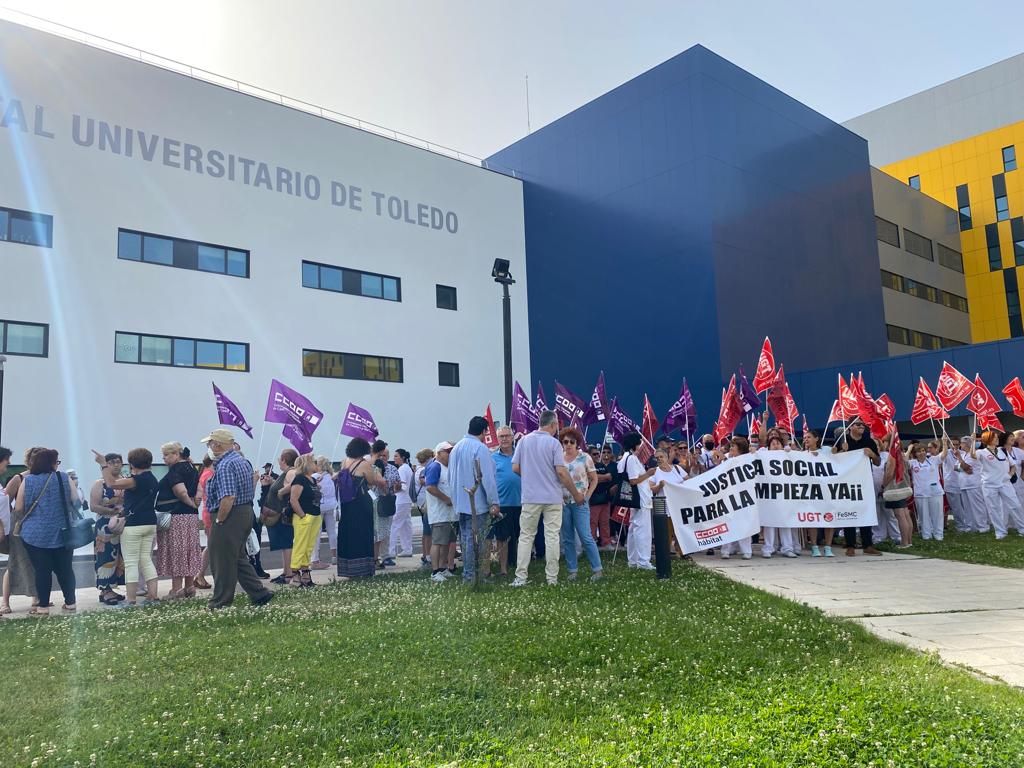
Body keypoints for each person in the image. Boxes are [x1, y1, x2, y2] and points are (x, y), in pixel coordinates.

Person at [200, 429, 273, 609]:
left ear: (217, 444)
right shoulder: (241, 461)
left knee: (222, 559)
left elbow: (228, 497)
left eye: (210, 443)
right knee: (238, 557)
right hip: (245, 511)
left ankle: (220, 601)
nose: (209, 447)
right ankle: (259, 593)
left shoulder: (224, 465)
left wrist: (220, 520)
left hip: (230, 514)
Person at [510, 410, 583, 587]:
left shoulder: (524, 441)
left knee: (526, 536)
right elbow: (561, 471)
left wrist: (530, 477)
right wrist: (575, 493)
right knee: (552, 536)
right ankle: (552, 578)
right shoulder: (553, 444)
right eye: (557, 424)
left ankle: (521, 577)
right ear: (552, 424)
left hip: (530, 496)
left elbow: (515, 468)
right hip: (552, 497)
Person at [12, 449, 77, 615]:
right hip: (63, 532)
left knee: (42, 570)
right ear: (51, 462)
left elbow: (18, 507)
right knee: (65, 569)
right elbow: (76, 499)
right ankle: (70, 602)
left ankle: (42, 606)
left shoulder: (28, 480)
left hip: (35, 534)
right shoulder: (63, 477)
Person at [448, 417, 501, 584]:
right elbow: (487, 478)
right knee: (474, 541)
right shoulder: (480, 448)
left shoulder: (456, 447)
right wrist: (494, 501)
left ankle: (468, 573)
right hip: (476, 502)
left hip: (460, 501)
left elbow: (450, 476)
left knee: (465, 539)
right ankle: (472, 576)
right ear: (484, 431)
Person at [107, 448, 161, 607]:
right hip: (150, 523)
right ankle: (153, 595)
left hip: (133, 525)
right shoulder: (152, 479)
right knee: (146, 560)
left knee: (131, 562)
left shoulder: (136, 480)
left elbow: (111, 483)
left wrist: (104, 466)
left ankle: (131, 600)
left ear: (131, 464)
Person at [154, 442, 201, 598]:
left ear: (176, 454)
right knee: (189, 550)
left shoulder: (175, 470)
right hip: (191, 517)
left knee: (177, 551)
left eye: (166, 455)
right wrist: (195, 505)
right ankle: (189, 587)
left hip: (177, 515)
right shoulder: (192, 467)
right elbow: (200, 489)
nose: (164, 459)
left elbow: (180, 491)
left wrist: (190, 503)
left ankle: (176, 589)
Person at [336, 437, 386, 579]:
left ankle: (348, 568)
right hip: (361, 502)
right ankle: (363, 568)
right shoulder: (363, 464)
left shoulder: (345, 462)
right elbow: (371, 481)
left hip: (347, 502)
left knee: (348, 532)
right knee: (363, 532)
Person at [559, 427, 604, 582]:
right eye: (566, 441)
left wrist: (588, 496)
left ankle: (597, 569)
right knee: (567, 538)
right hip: (563, 503)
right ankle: (572, 571)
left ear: (577, 443)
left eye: (572, 441)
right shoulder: (558, 458)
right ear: (562, 443)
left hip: (580, 503)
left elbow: (594, 478)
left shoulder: (585, 457)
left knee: (586, 536)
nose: (569, 444)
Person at [2, 446, 43, 614]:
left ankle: (36, 598)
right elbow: (5, 502)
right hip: (18, 526)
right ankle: (5, 601)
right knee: (14, 562)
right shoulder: (19, 479)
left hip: (39, 526)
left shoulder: (46, 478)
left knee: (38, 562)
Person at [833, 419, 883, 556]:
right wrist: (840, 452)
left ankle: (868, 544)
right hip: (848, 482)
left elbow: (878, 462)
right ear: (850, 427)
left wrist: (872, 454)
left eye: (862, 424)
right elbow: (831, 460)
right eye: (858, 424)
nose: (862, 426)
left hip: (864, 482)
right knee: (849, 512)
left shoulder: (869, 442)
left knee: (865, 511)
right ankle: (850, 545)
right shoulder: (842, 441)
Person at [90, 452, 126, 605]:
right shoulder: (99, 483)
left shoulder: (125, 481)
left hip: (121, 523)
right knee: (105, 557)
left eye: (118, 461)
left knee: (119, 557)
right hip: (104, 526)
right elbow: (93, 506)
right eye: (111, 462)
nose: (116, 464)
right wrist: (112, 511)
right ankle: (105, 590)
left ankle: (112, 587)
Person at [618, 431, 657, 571]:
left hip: (635, 499)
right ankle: (643, 561)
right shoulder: (632, 459)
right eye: (640, 443)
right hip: (640, 498)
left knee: (634, 529)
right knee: (643, 530)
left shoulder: (625, 458)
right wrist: (648, 473)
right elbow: (633, 480)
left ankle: (633, 560)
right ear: (635, 444)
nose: (641, 446)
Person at [974, 429, 1021, 540]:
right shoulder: (981, 452)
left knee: (1015, 505)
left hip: (1005, 483)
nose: (997, 439)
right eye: (995, 437)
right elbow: (973, 456)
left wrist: (1009, 475)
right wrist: (972, 442)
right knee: (994, 509)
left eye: (997, 437)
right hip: (989, 485)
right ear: (988, 439)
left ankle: (1022, 528)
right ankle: (1000, 532)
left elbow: (1013, 466)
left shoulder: (1002, 450)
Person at [490, 427, 522, 577]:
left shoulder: (521, 453)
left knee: (522, 536)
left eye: (507, 436)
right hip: (502, 503)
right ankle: (503, 569)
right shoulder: (493, 458)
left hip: (522, 502)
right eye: (501, 436)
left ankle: (521, 565)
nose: (504, 439)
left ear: (512, 437)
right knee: (503, 538)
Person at [288, 453, 322, 588]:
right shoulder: (300, 479)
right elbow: (293, 499)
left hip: (315, 515)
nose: (316, 464)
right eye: (314, 462)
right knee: (300, 544)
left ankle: (305, 570)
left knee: (309, 546)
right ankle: (295, 571)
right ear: (307, 464)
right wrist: (302, 515)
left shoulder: (312, 480)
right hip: (305, 516)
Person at [265, 449, 299, 584]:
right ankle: (286, 571)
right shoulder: (285, 472)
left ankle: (289, 573)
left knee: (286, 542)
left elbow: (296, 482)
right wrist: (273, 481)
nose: (278, 460)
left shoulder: (291, 472)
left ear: (284, 460)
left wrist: (282, 491)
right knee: (284, 543)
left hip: (284, 513)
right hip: (279, 513)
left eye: (280, 458)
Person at [425, 441, 457, 582]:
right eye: (447, 452)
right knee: (437, 542)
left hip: (450, 514)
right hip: (439, 513)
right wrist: (446, 499)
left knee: (447, 541)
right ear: (438, 453)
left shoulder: (448, 467)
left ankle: (443, 568)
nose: (450, 454)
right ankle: (435, 570)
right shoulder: (435, 466)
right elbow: (430, 487)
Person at [717, 437, 753, 559]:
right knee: (728, 521)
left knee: (744, 522)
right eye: (730, 446)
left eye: (733, 446)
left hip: (744, 495)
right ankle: (726, 549)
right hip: (728, 495)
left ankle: (746, 550)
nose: (730, 448)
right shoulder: (725, 458)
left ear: (740, 448)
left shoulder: (747, 459)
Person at [371, 440, 400, 568]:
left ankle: (385, 556)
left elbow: (397, 485)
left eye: (385, 455)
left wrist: (396, 486)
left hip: (388, 501)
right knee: (378, 531)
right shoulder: (373, 467)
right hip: (376, 501)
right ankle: (375, 558)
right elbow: (378, 483)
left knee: (387, 530)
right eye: (381, 455)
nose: (382, 458)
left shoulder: (392, 468)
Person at [908, 442, 943, 541]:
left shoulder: (933, 459)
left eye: (923, 451)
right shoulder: (913, 463)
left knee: (937, 514)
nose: (921, 453)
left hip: (935, 492)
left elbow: (943, 454)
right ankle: (926, 534)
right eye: (918, 452)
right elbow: (903, 461)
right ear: (915, 454)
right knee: (923, 516)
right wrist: (909, 449)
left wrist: (944, 443)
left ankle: (938, 534)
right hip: (920, 494)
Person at [881, 445, 914, 548]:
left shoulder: (892, 458)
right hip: (904, 488)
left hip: (895, 489)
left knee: (900, 516)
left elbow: (889, 474)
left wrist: (883, 485)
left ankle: (904, 542)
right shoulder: (903, 459)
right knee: (905, 515)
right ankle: (909, 541)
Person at [251, 462, 278, 578]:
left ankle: (256, 566)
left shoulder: (275, 476)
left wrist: (270, 481)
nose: (265, 470)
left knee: (256, 536)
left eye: (267, 467)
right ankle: (253, 567)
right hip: (261, 506)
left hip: (265, 507)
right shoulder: (262, 476)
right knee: (254, 536)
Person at [193, 455, 216, 589]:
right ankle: (199, 574)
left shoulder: (203, 473)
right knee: (212, 546)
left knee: (211, 545)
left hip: (206, 512)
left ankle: (199, 575)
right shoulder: (210, 474)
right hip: (211, 513)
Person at [389, 449, 415, 559]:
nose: (394, 458)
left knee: (394, 525)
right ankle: (407, 548)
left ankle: (390, 551)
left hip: (401, 500)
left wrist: (393, 489)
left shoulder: (402, 469)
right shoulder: (407, 468)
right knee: (405, 525)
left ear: (402, 457)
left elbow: (402, 486)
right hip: (407, 500)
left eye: (396, 456)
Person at [589, 444, 614, 551]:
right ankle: (592, 542)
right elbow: (591, 478)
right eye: (594, 454)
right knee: (592, 522)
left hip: (605, 498)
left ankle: (606, 542)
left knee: (605, 522)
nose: (597, 456)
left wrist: (599, 478)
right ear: (589, 455)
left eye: (598, 454)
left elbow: (610, 477)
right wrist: (601, 478)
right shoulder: (587, 465)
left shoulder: (601, 465)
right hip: (593, 498)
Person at [315, 456, 338, 567]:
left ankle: (316, 558)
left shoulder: (314, 476)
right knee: (332, 531)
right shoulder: (331, 476)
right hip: (331, 505)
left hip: (319, 506)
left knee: (317, 532)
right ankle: (334, 556)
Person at [414, 448, 435, 567]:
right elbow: (424, 482)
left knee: (426, 530)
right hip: (425, 502)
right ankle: (427, 554)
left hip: (420, 502)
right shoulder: (423, 470)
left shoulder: (418, 469)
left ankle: (425, 554)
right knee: (428, 530)